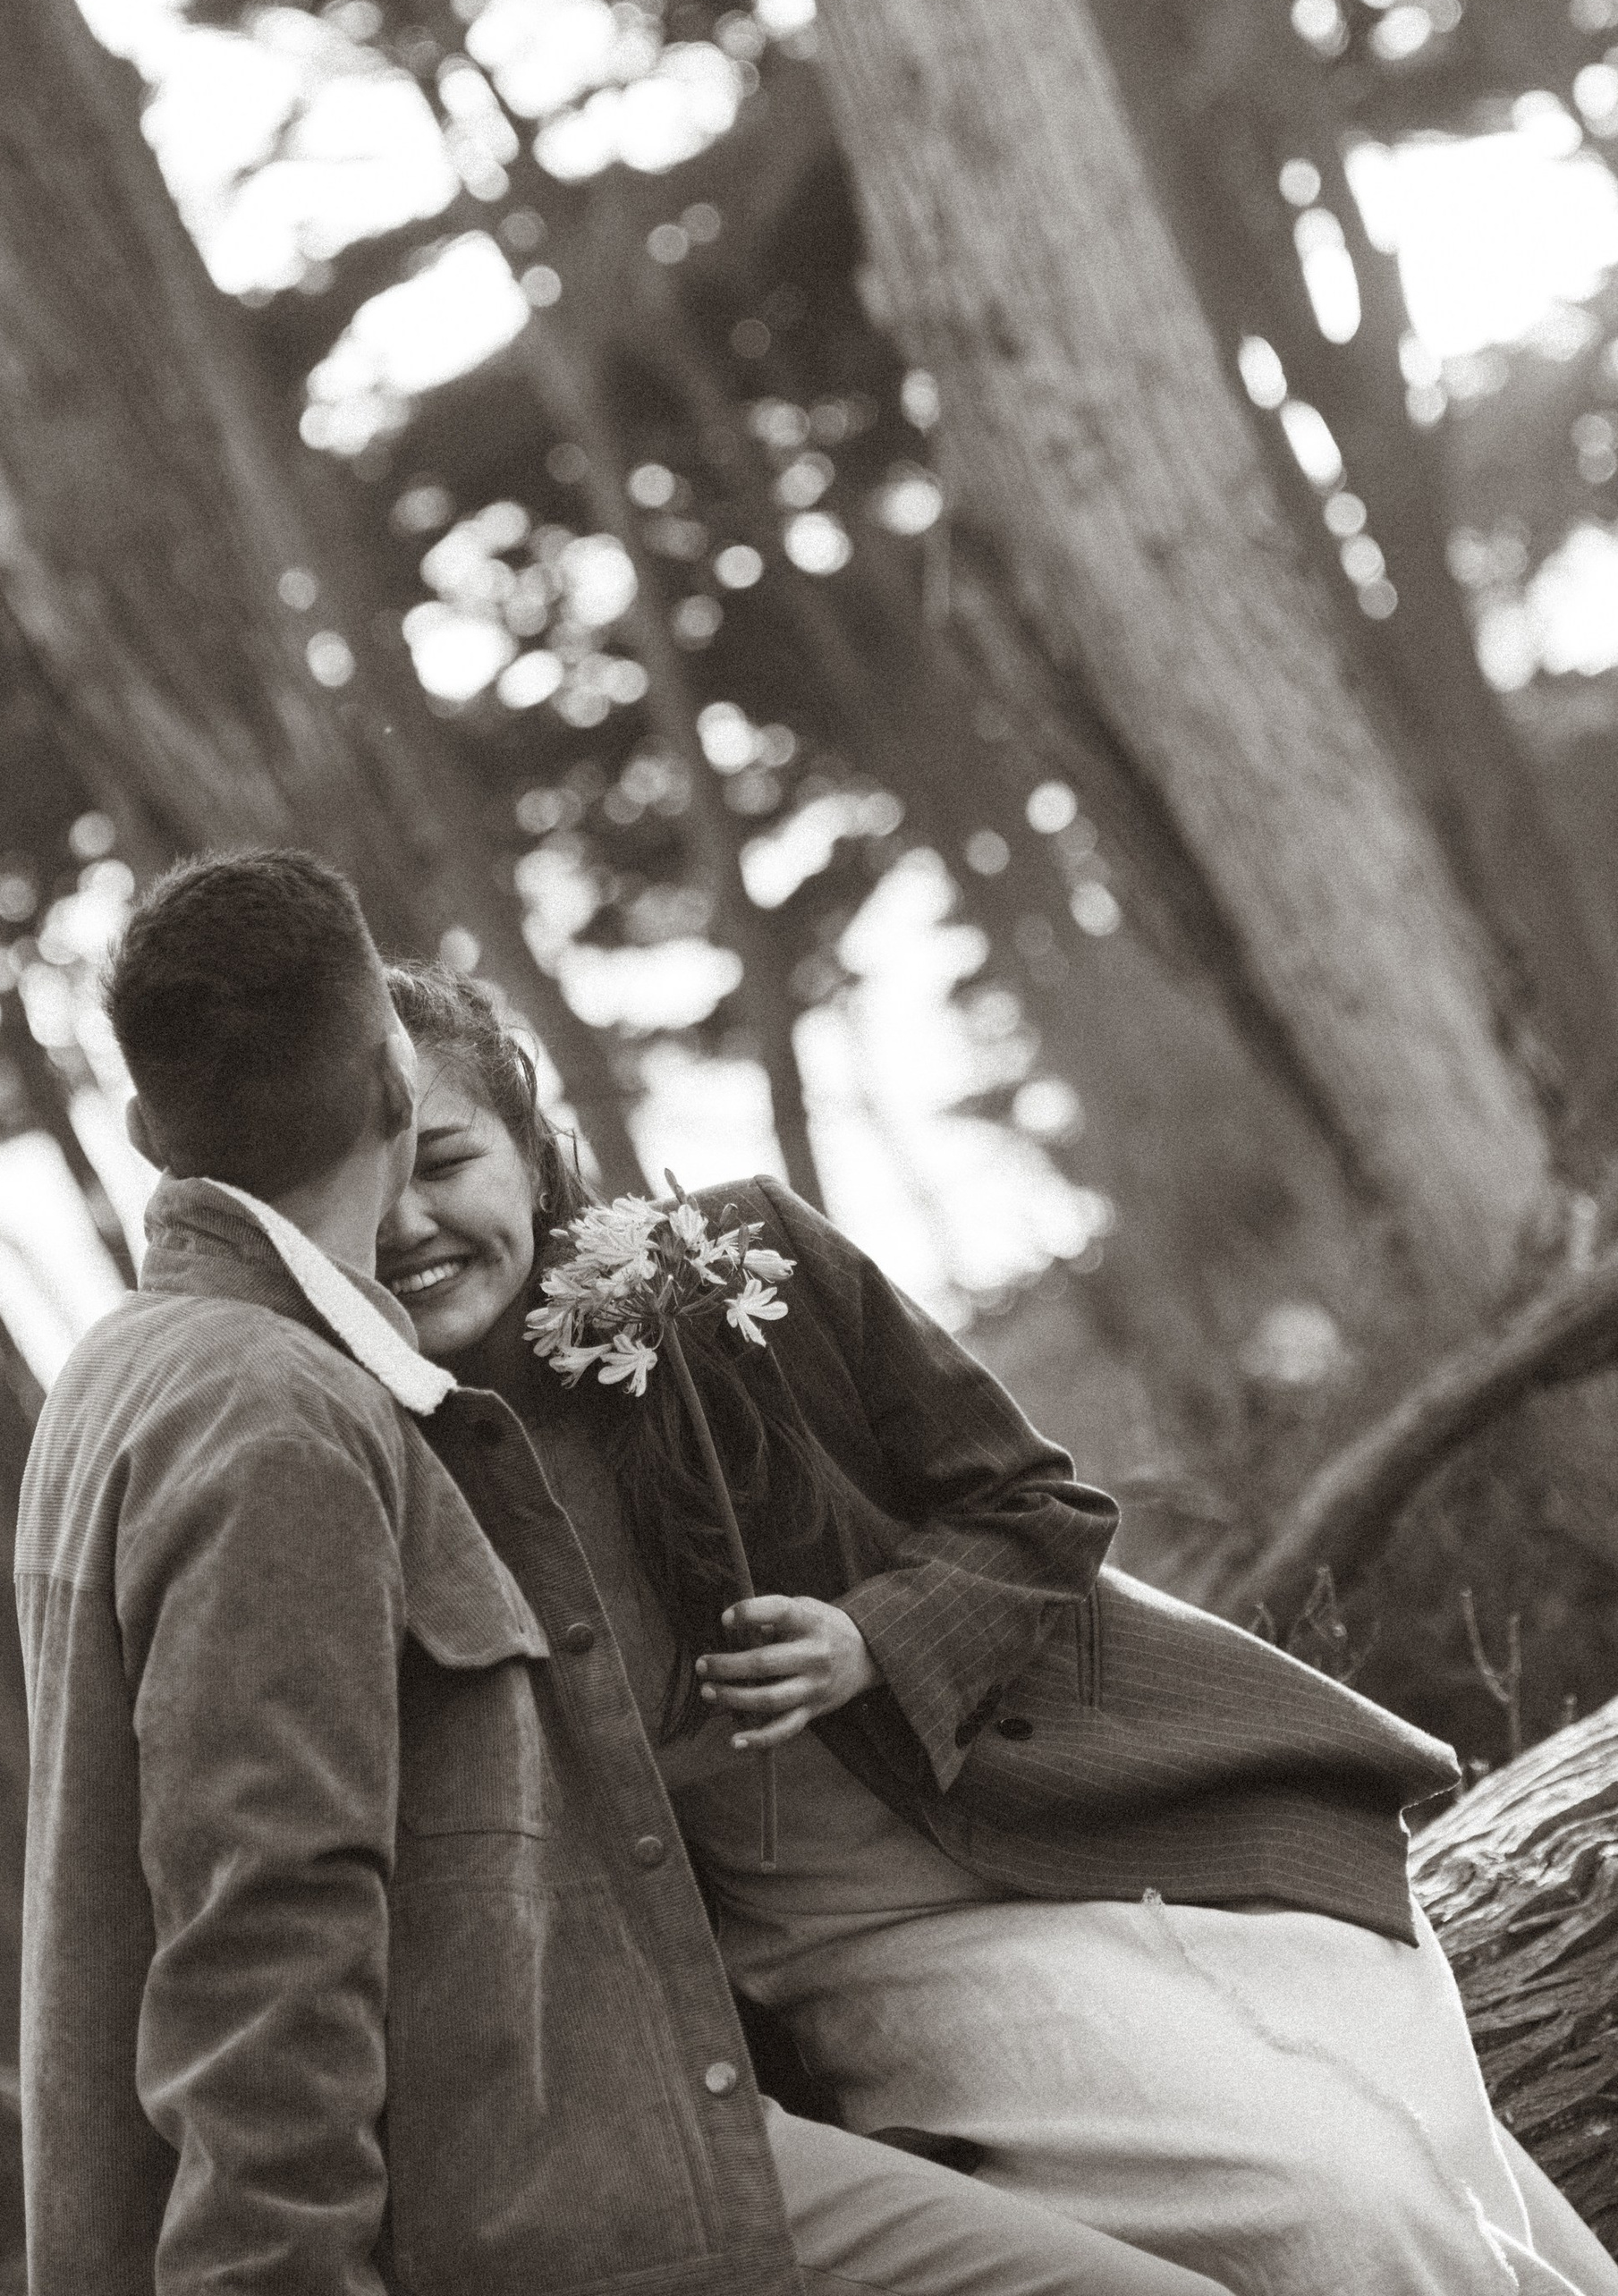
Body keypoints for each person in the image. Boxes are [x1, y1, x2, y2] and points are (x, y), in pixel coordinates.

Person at [16, 847, 1226, 2296]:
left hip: (642, 2115)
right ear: (397, 1090)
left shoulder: (128, 1372)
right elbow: (262, 1946)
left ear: (153, 1130)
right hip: (544, 2195)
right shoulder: (280, 1415)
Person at [377, 960, 1618, 2296]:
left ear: (529, 1144)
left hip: (1111, 1829)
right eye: (364, 1191)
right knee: (1332, 2205)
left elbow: (1036, 1504)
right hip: (880, 1958)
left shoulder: (732, 1261)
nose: (408, 1222)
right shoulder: (387, 1478)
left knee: (1417, 2163)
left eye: (444, 1160)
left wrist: (876, 1637)